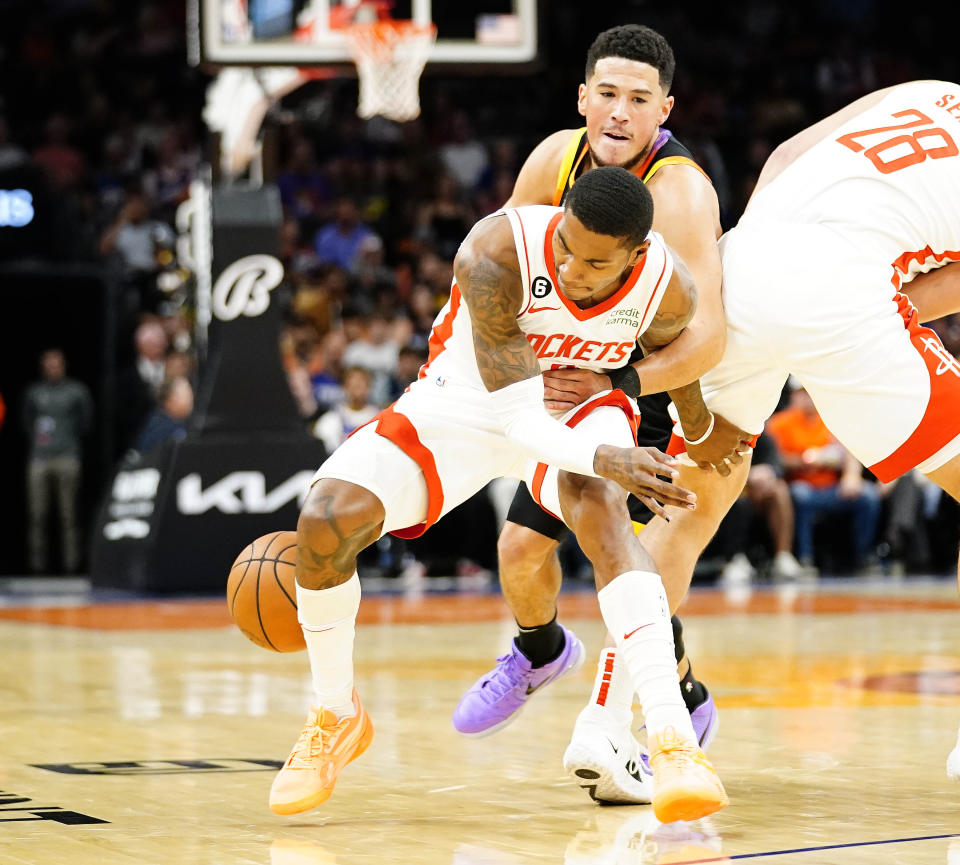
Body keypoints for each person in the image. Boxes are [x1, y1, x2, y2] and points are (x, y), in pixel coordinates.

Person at [479, 79, 960, 783]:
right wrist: (836, 329)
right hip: (840, 290)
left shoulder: (932, 89)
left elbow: (788, 154)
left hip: (745, 260)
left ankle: (607, 723)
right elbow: (941, 289)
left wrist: (781, 302)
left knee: (691, 503)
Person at [267, 167, 741, 823]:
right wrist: (611, 455)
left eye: (594, 261)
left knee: (603, 513)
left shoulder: (667, 287)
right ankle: (335, 713)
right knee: (323, 520)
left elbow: (679, 353)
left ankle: (673, 743)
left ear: (636, 256)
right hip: (469, 401)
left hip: (582, 403)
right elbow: (519, 422)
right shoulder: (495, 252)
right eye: (567, 246)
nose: (573, 267)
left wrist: (696, 426)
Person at [459, 24, 732, 805]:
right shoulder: (554, 157)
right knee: (517, 551)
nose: (619, 112)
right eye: (607, 94)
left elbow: (706, 338)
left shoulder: (681, 193)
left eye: (639, 100)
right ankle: (542, 649)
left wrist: (617, 374)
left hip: (651, 385)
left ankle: (671, 711)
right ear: (582, 98)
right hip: (566, 378)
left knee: (610, 539)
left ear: (664, 110)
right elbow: (502, 261)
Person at [766, 380, 881, 575]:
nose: (808, 398)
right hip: (801, 485)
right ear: (793, 396)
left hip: (832, 487)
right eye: (802, 393)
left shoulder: (831, 419)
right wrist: (804, 461)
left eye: (811, 392)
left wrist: (850, 475)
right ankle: (805, 557)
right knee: (799, 496)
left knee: (868, 496)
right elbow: (775, 460)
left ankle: (864, 556)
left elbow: (848, 450)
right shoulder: (779, 423)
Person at [22, 348, 94, 574]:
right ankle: (37, 567)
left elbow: (86, 422)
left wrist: (68, 442)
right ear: (43, 367)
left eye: (57, 364)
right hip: (39, 458)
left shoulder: (76, 391)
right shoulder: (34, 392)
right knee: (37, 515)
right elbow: (26, 422)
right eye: (48, 364)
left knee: (69, 515)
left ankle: (71, 565)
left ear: (64, 365)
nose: (53, 369)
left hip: (67, 456)